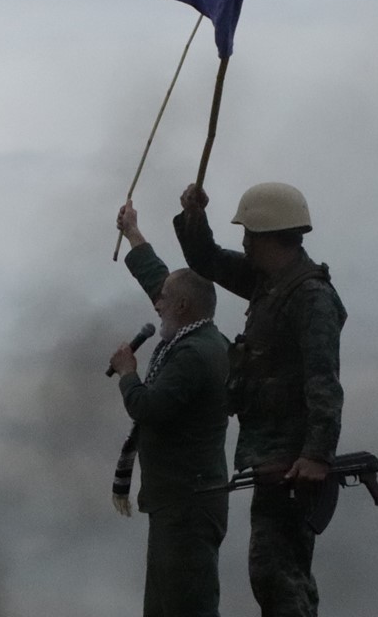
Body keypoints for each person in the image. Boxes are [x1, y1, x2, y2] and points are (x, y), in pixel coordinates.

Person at [172, 181, 346, 617]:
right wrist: (194, 217)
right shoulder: (269, 283)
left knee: (280, 576)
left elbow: (323, 382)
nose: (245, 241)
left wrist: (316, 455)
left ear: (266, 234)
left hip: (292, 461)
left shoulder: (311, 297)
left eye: (248, 232)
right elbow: (207, 260)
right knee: (273, 574)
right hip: (271, 456)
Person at [110, 199, 231, 617]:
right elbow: (161, 282)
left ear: (181, 307)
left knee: (186, 607)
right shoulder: (196, 334)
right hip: (181, 502)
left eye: (163, 300)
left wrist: (128, 373)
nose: (156, 304)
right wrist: (133, 233)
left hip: (188, 506)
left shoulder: (193, 354)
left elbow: (148, 408)